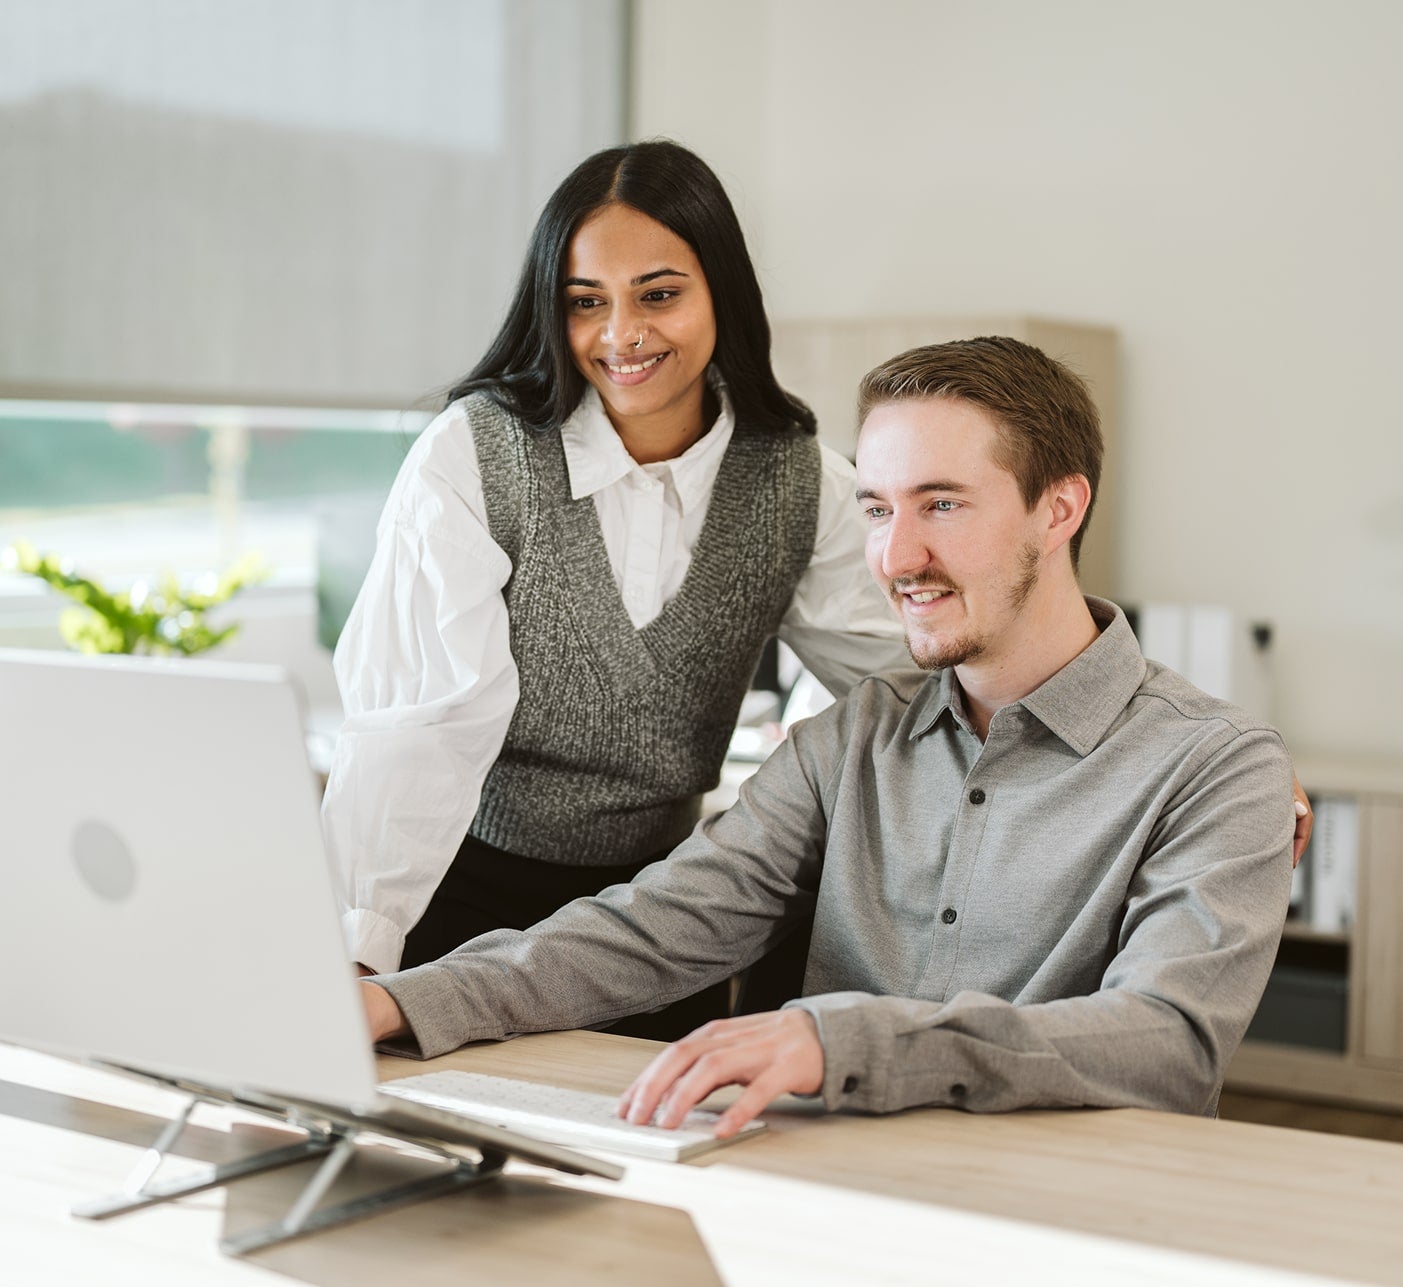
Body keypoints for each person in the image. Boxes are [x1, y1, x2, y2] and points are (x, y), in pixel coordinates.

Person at [360, 336, 1296, 1137]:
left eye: (944, 503)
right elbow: (653, 928)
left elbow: (1168, 1040)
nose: (895, 558)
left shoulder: (1215, 768)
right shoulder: (850, 738)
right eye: (880, 508)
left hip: (1071, 1219)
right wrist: (403, 999)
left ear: (1059, 508)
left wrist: (841, 1041)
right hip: (826, 1192)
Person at [322, 141, 911, 1038]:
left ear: (723, 290)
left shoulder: (804, 481)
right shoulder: (476, 454)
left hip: (661, 927)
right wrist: (360, 954)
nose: (621, 335)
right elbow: (419, 728)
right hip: (456, 907)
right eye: (585, 303)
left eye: (659, 294)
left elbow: (900, 681)